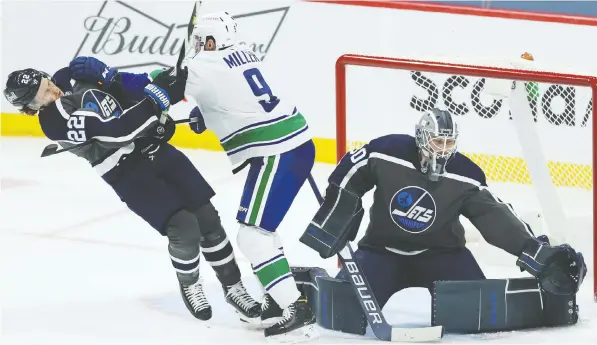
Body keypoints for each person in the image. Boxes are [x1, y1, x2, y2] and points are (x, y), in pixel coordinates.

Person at [3, 57, 261, 323]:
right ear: (31, 109)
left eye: (46, 82)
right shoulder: (53, 122)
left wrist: (113, 77)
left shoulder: (68, 75)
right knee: (183, 227)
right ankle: (190, 283)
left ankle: (233, 288)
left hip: (158, 151)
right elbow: (116, 132)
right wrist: (153, 105)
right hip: (125, 171)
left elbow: (127, 90)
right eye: (42, 95)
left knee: (208, 218)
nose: (51, 89)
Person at [300, 108, 587, 310]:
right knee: (342, 307)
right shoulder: (387, 152)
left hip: (443, 256)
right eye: (438, 141)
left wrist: (533, 250)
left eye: (449, 143)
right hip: (380, 252)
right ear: (422, 138)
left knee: (481, 310)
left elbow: (495, 218)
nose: (443, 149)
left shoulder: (464, 174)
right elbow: (350, 171)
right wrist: (338, 215)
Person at [180, 11, 316, 338]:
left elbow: (159, 83)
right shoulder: (242, 53)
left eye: (201, 41)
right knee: (262, 234)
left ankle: (298, 308)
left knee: (252, 236)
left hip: (277, 151)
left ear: (210, 40)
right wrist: (207, 113)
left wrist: (109, 78)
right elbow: (235, 95)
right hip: (293, 143)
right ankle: (276, 298)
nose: (198, 46)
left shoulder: (201, 65)